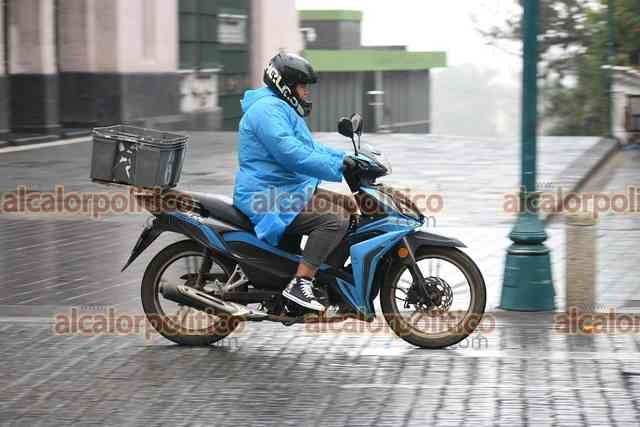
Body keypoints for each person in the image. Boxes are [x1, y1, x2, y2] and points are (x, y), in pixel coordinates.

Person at [233, 52, 358, 312]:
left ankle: (329, 281)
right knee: (334, 219)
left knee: (349, 207)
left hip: (287, 189)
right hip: (267, 195)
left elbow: (308, 147)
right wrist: (336, 166)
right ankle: (300, 283)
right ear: (285, 86)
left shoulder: (279, 107)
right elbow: (290, 153)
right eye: (302, 86)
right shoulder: (267, 111)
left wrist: (346, 159)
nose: (306, 92)